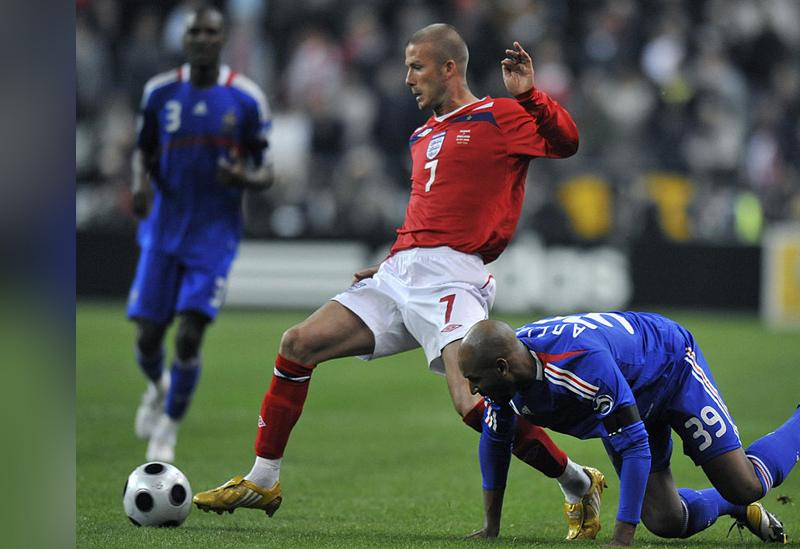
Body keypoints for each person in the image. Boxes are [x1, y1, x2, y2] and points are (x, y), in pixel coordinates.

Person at [194, 24, 607, 539]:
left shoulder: (497, 116)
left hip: (454, 278)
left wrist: (528, 95)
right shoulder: (421, 135)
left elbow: (566, 142)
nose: (407, 78)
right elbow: (429, 209)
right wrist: (397, 255)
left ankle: (575, 480)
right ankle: (264, 478)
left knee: (471, 402)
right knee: (298, 343)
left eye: (416, 66)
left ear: (448, 68)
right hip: (400, 274)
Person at [458, 313, 800, 546]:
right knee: (665, 521)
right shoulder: (507, 377)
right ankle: (729, 507)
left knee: (747, 486)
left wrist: (622, 539)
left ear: (501, 367)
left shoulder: (580, 367)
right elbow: (497, 442)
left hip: (670, 369)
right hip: (626, 398)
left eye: (475, 379)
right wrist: (491, 527)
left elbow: (637, 445)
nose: (472, 389)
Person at [128, 5, 273, 463]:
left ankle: (168, 427)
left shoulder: (245, 98)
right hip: (163, 230)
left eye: (211, 32)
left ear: (222, 38)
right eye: (195, 32)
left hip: (214, 236)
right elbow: (142, 151)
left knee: (188, 335)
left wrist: (244, 179)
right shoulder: (160, 92)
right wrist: (138, 185)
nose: (203, 39)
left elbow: (266, 168)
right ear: (185, 39)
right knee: (149, 336)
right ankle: (157, 385)